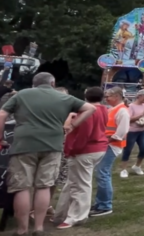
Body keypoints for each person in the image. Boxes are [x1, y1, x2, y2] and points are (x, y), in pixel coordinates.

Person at [0, 72, 96, 236]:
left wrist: (1, 138)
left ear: (34, 83)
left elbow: (2, 114)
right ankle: (39, 228)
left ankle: (22, 229)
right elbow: (90, 108)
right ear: (53, 83)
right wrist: (74, 124)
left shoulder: (22, 94)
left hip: (24, 145)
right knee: (44, 186)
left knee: (22, 187)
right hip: (52, 145)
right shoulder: (63, 97)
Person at [53, 86, 109, 229]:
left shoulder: (87, 113)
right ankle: (62, 213)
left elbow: (84, 135)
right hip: (97, 148)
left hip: (85, 151)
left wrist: (72, 150)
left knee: (81, 185)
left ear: (85, 96)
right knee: (73, 182)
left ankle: (76, 216)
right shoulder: (103, 109)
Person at [91, 87, 129, 217]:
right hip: (108, 143)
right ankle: (100, 202)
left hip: (112, 145)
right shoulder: (114, 109)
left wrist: (108, 139)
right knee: (102, 173)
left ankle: (105, 205)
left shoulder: (122, 111)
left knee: (102, 173)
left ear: (117, 96)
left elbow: (122, 131)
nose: (105, 99)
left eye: (108, 96)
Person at [120, 89, 144, 177]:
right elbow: (129, 119)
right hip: (132, 131)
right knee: (128, 150)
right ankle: (123, 170)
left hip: (142, 131)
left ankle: (137, 166)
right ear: (139, 96)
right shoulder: (131, 106)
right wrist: (140, 115)